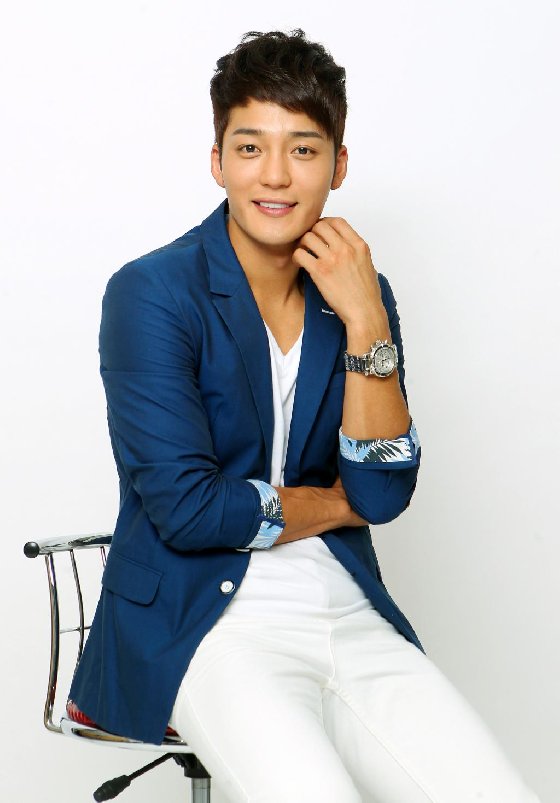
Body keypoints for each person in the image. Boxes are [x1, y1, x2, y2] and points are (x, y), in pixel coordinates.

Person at [69, 29, 541, 803]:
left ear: (339, 165)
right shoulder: (152, 292)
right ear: (217, 159)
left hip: (346, 610)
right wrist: (333, 504)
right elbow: (189, 510)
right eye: (250, 147)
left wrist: (366, 321)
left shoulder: (359, 291)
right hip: (206, 621)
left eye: (304, 149)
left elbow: (380, 492)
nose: (276, 175)